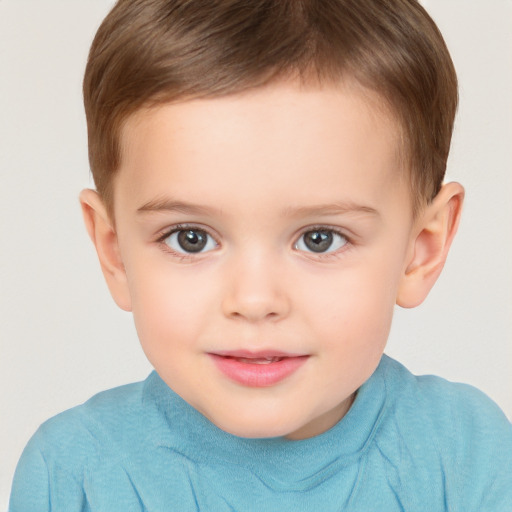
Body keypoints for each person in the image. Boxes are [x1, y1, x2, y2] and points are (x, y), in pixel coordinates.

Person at [9, 0, 512, 510]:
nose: (253, 300)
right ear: (114, 252)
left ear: (420, 250)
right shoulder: (74, 476)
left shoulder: (467, 455)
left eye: (320, 238)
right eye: (191, 238)